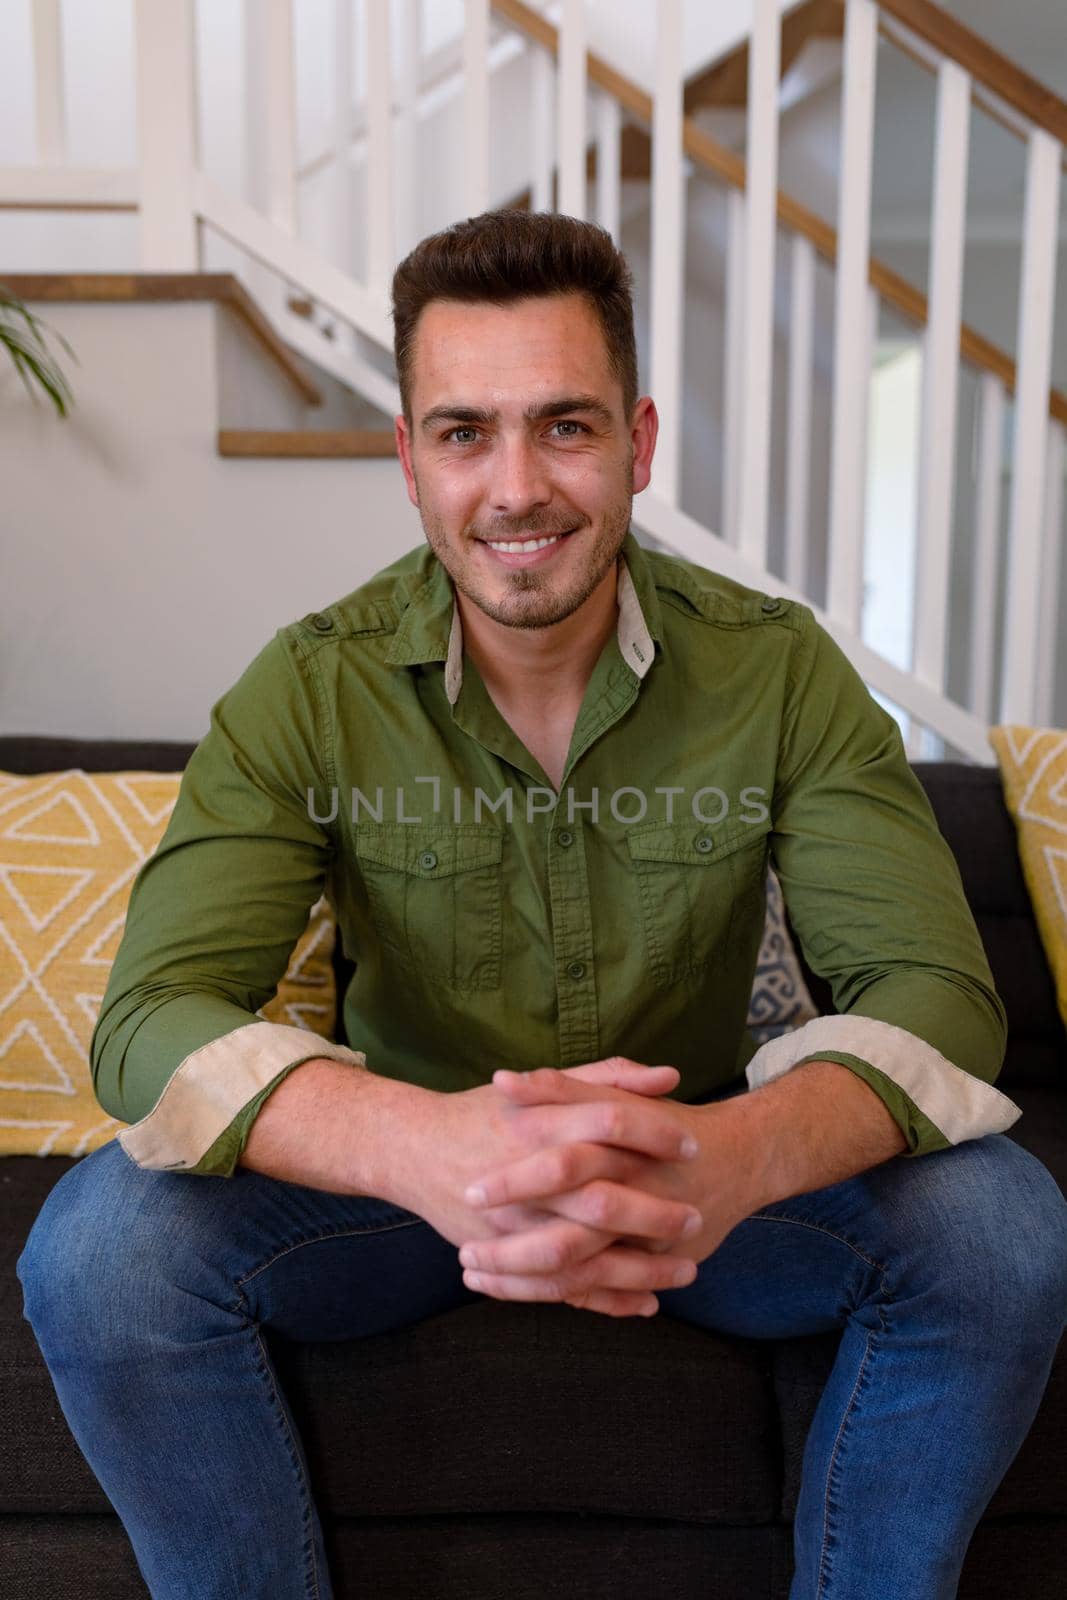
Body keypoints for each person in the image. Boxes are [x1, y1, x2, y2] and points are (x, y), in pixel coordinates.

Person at [17, 209, 1067, 1600]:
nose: (516, 487)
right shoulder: (305, 688)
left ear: (637, 443)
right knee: (99, 1249)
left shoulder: (780, 673)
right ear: (409, 461)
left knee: (999, 1224)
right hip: (395, 1202)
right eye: (464, 434)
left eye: (564, 427)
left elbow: (937, 996)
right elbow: (149, 1019)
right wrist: (424, 1149)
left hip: (699, 1187)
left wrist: (731, 1157)